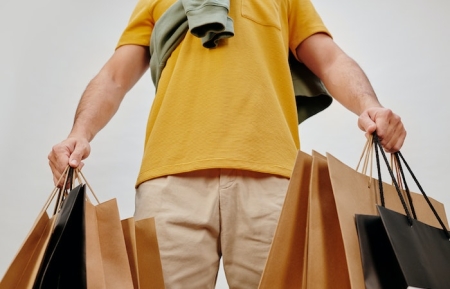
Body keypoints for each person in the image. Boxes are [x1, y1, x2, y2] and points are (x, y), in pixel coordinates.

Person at [48, 0, 406, 288]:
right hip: (169, 182)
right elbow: (114, 77)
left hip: (271, 179)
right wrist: (79, 133)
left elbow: (330, 59)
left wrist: (370, 106)